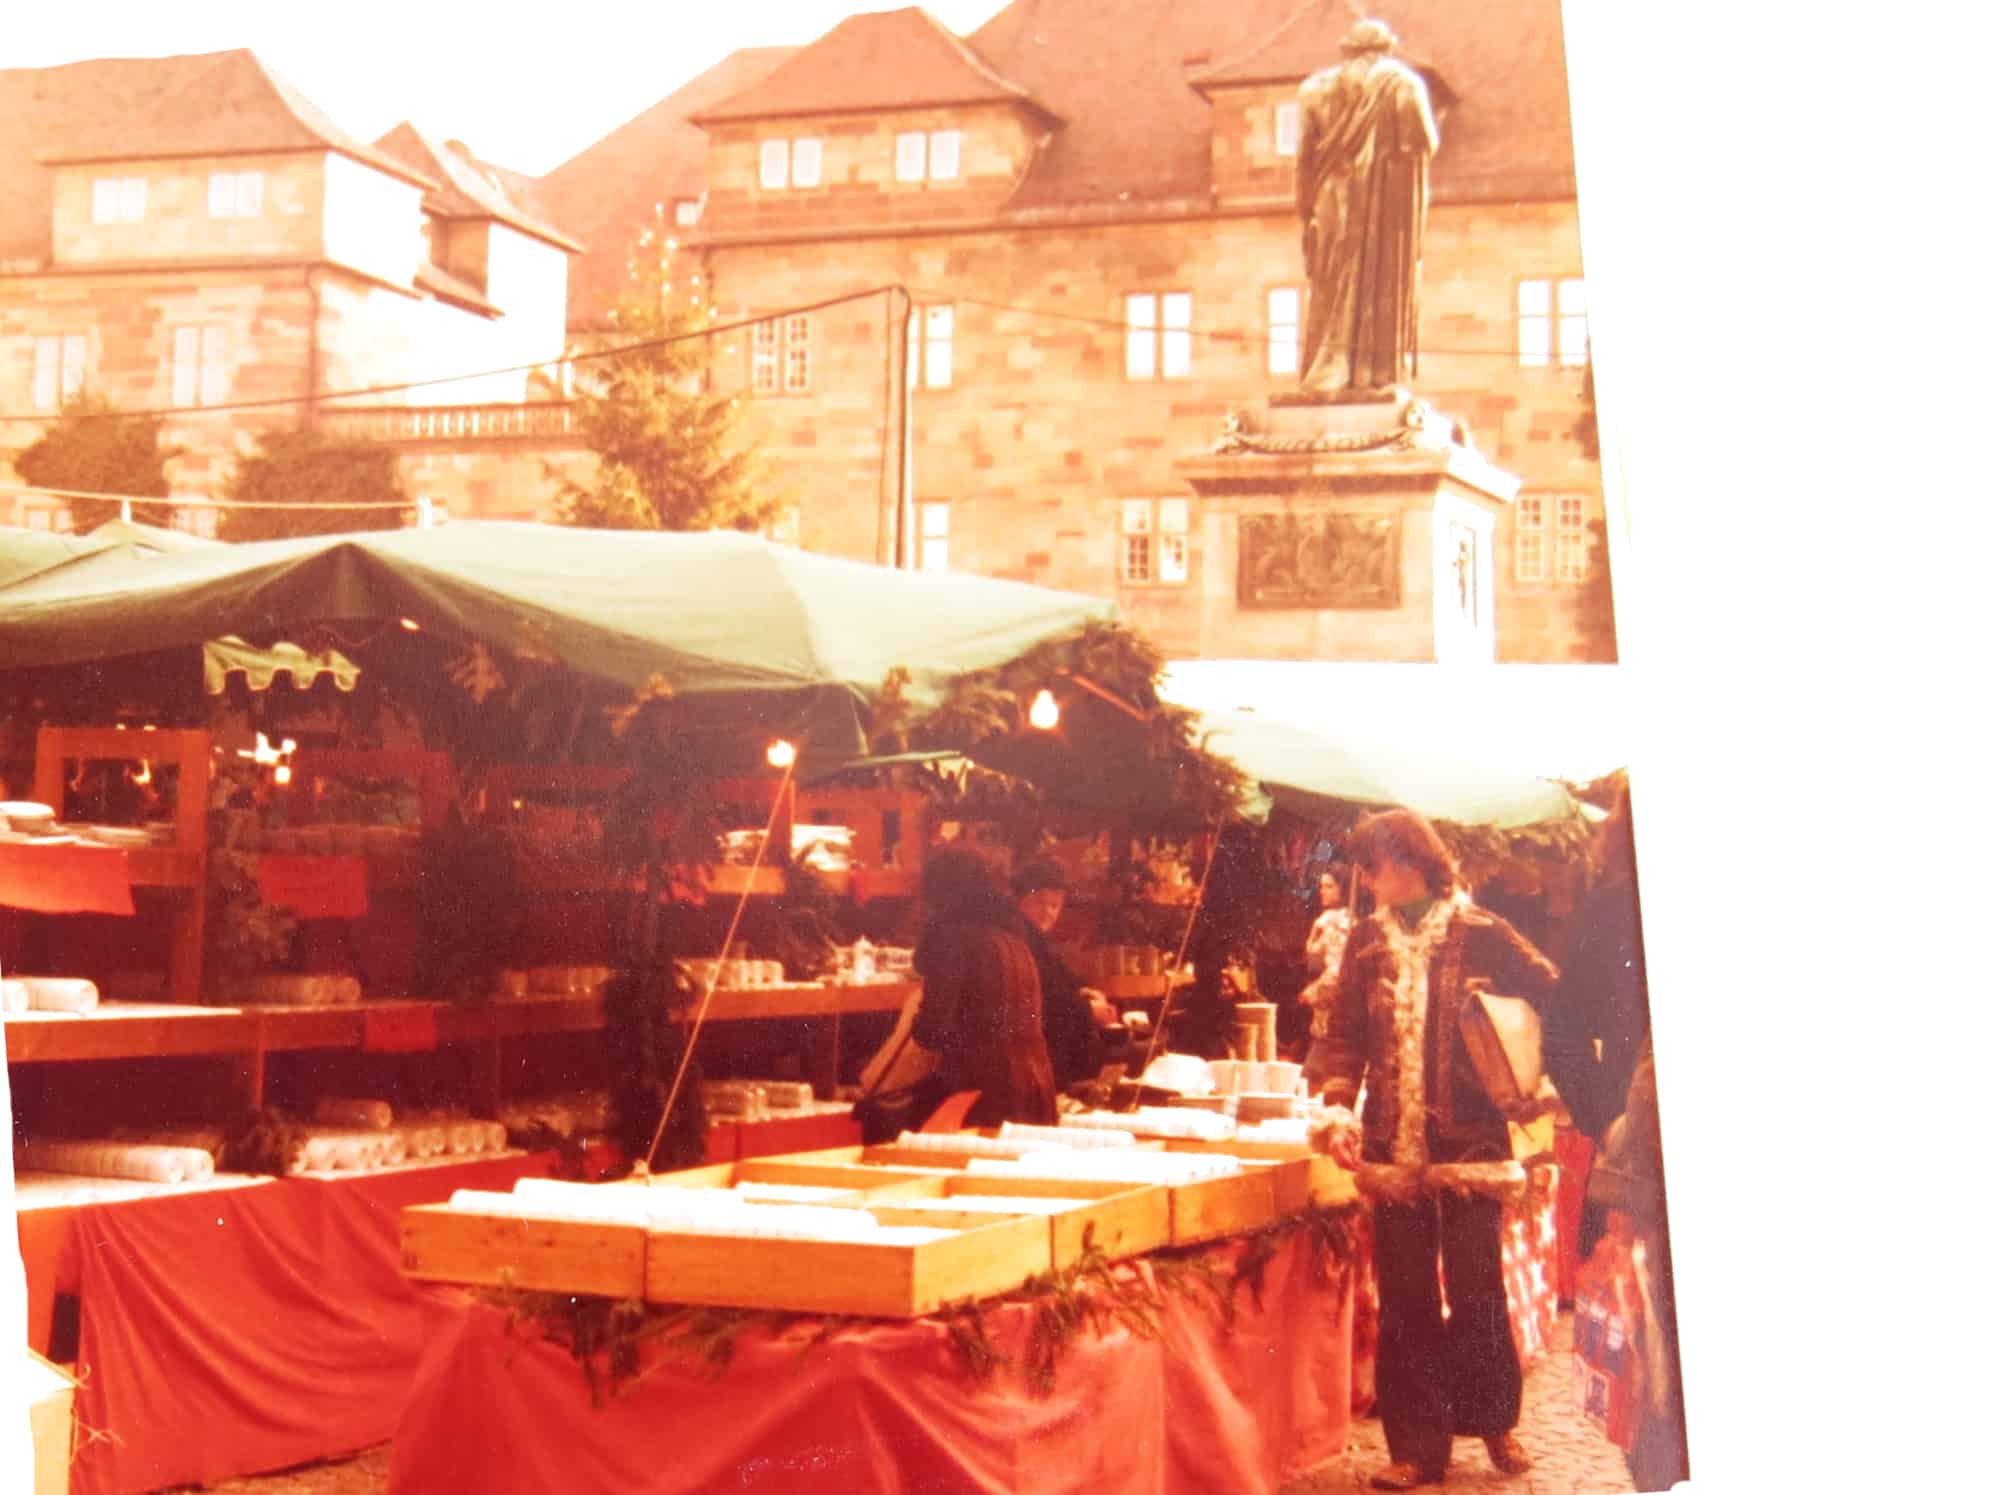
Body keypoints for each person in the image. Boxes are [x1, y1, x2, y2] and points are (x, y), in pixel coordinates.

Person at [1316, 809, 1564, 1491]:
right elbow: (1340, 1036)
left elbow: (1551, 991)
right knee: (1405, 1296)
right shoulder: (1366, 939)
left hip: (1471, 1146)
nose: (1365, 880)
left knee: (1477, 1284)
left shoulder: (1482, 932)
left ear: (1410, 861)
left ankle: (1492, 1418)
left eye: (1373, 865)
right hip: (1390, 1149)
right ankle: (1416, 1449)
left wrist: (1520, 1056)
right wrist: (1337, 1101)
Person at [1295, 19, 1439, 398]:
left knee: (1328, 283)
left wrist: (1304, 213)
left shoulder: (1313, 89)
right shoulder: (1401, 82)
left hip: (1330, 201)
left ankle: (1324, 367)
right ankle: (1372, 370)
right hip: (1384, 205)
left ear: (1347, 49)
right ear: (1385, 47)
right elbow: (1423, 141)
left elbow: (1304, 159)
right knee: (1380, 280)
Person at [909, 849, 1058, 1127]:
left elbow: (933, 1030)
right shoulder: (1014, 939)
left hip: (982, 1098)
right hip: (1035, 1090)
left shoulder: (954, 940)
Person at [1009, 860, 1114, 1090]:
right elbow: (1045, 1000)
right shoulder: (1020, 938)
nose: (1047, 912)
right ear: (1019, 901)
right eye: (1038, 902)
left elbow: (1060, 978)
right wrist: (1088, 1010)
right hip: (1031, 1062)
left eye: (1055, 905)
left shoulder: (1034, 938)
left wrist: (1083, 991)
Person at [1300, 867, 1357, 1093]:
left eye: (1330, 886)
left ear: (1343, 889)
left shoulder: (1335, 923)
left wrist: (1311, 993)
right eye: (1322, 886)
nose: (1323, 891)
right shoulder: (1333, 920)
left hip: (1330, 1009)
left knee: (1314, 1078)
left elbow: (1337, 970)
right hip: (1326, 1011)